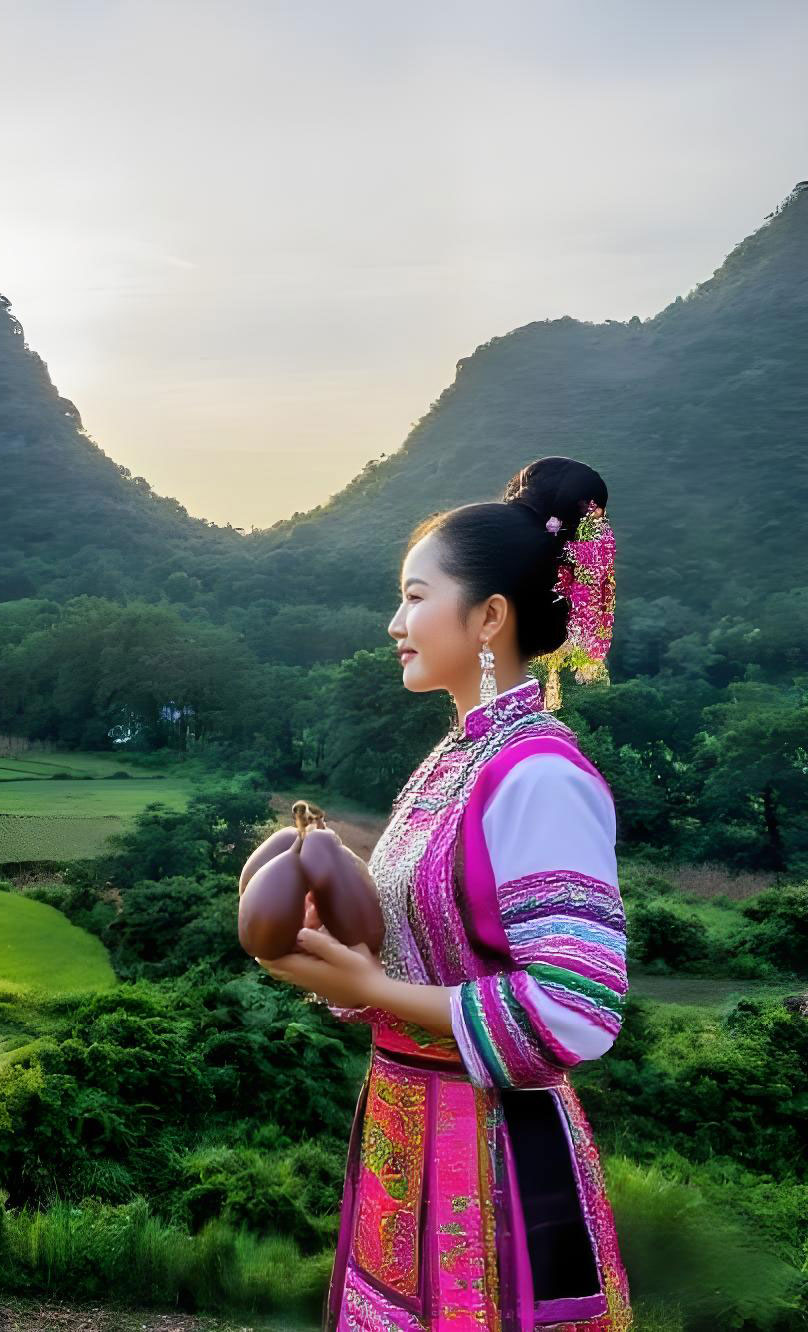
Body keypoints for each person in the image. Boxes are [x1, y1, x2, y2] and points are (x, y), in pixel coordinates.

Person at [258, 456, 631, 1330]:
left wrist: (374, 987)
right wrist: (342, 960)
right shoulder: (455, 759)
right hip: (404, 1125)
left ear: (490, 617)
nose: (396, 623)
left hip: (496, 1157)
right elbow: (419, 953)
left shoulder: (539, 775)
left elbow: (577, 1010)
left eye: (416, 597)